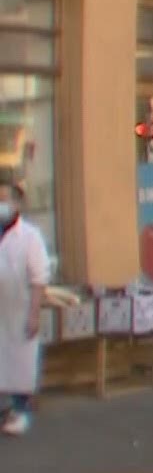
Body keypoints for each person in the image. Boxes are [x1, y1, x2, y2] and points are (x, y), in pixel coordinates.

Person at [0, 179, 50, 436]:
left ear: (17, 203)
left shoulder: (30, 236)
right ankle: (6, 409)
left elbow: (39, 278)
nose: (2, 204)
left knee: (19, 362)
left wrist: (33, 313)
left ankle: (21, 410)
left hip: (20, 307)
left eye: (5, 199)